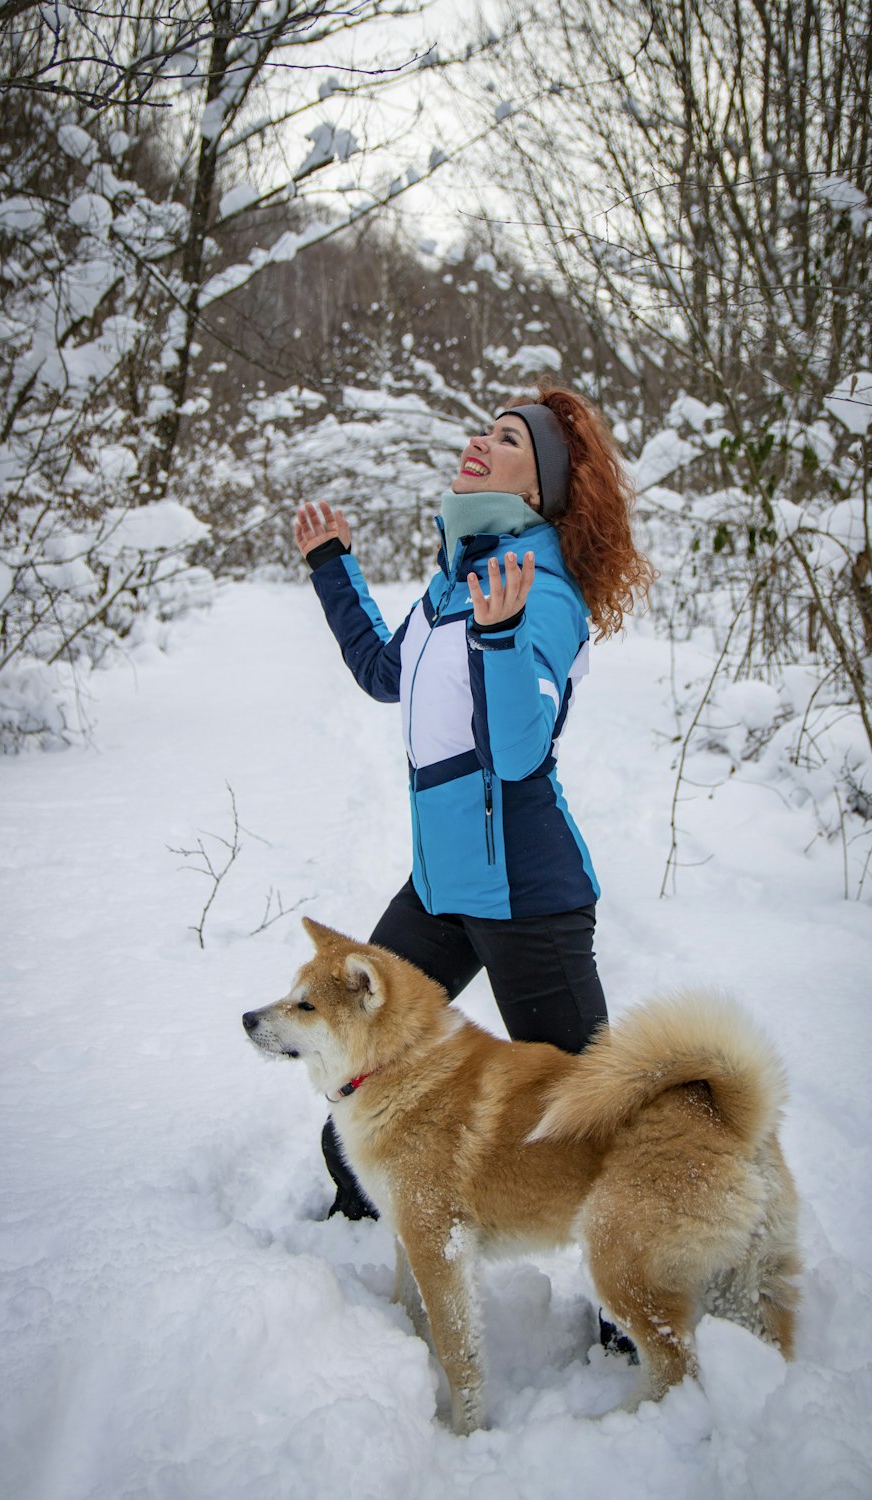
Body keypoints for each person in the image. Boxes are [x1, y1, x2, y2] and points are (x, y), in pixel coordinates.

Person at [294, 383, 655, 1229]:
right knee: (363, 1052)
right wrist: (332, 568)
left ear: (539, 489)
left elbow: (520, 750)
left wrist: (499, 637)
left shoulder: (545, 590)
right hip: (440, 889)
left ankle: (639, 1291)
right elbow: (389, 676)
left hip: (529, 898)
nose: (480, 443)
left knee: (588, 1115)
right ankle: (361, 1225)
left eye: (508, 440)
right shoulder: (453, 583)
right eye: (483, 430)